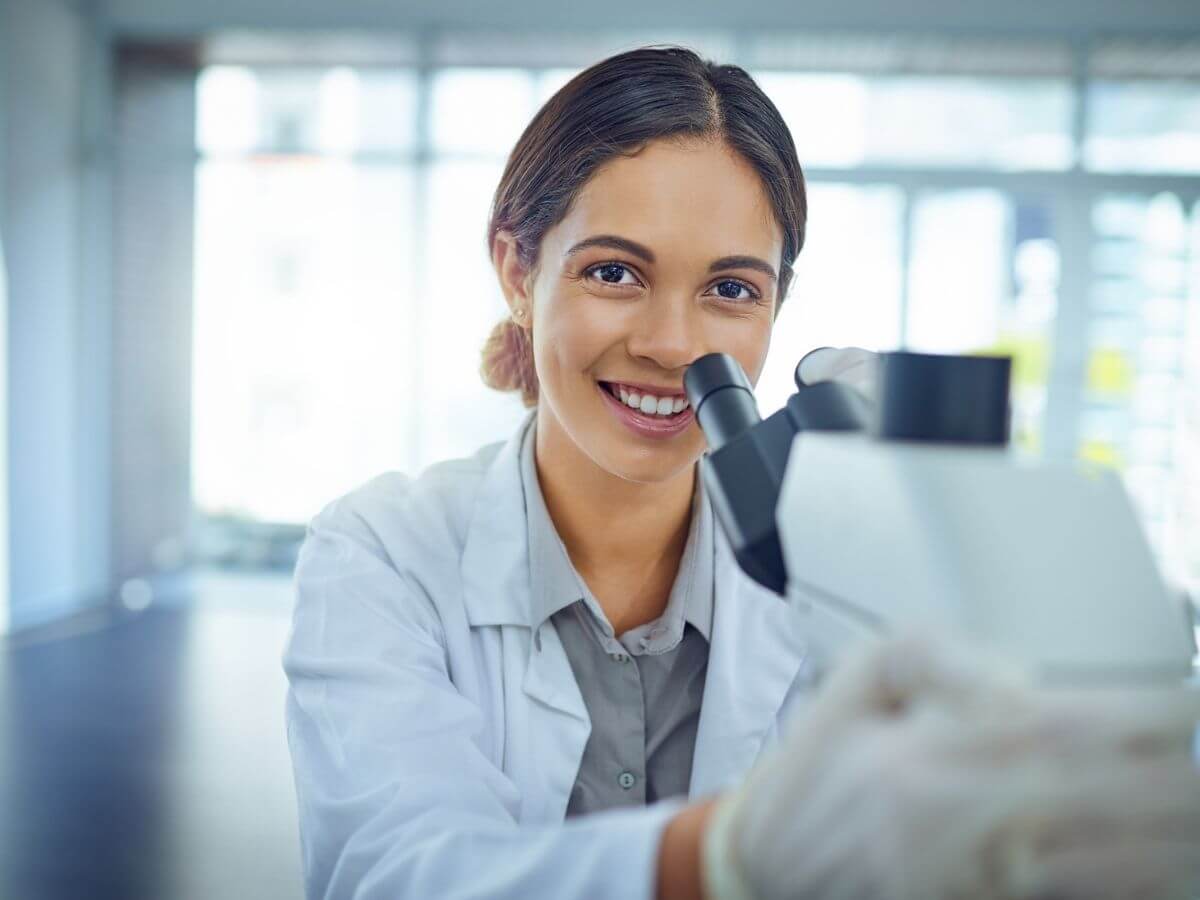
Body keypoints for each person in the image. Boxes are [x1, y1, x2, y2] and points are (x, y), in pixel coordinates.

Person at [282, 46, 1200, 899]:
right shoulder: (381, 553)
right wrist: (728, 855)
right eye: (614, 273)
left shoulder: (826, 558)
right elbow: (398, 871)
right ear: (517, 270)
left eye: (730, 290)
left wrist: (951, 544)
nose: (674, 345)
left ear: (775, 307)